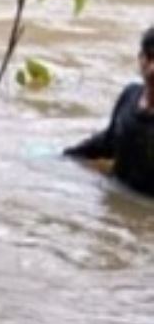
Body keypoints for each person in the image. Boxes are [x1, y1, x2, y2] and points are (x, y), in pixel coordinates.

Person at [63, 25, 154, 197]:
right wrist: (67, 154)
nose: (153, 68)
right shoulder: (130, 95)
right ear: (140, 58)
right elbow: (109, 141)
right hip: (115, 203)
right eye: (149, 57)